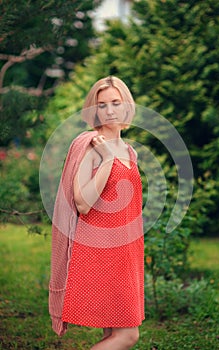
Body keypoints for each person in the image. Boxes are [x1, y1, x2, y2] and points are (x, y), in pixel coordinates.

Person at [49, 76, 144, 349]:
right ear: (94, 110)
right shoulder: (90, 144)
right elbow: (82, 203)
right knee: (128, 335)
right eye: (102, 105)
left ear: (127, 106)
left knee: (111, 334)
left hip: (125, 252)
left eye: (116, 103)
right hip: (100, 251)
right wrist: (106, 160)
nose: (110, 110)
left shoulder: (129, 150)